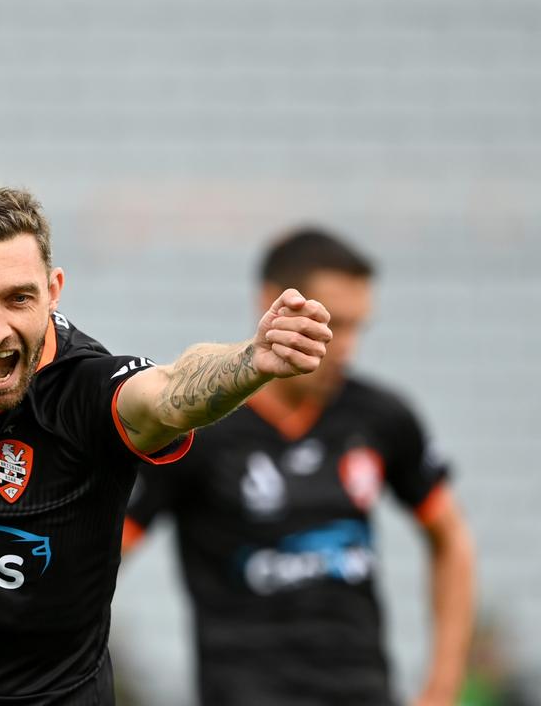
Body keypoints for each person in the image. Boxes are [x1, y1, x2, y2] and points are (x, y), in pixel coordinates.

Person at [0, 0, 333, 706]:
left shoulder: (86, 390)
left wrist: (253, 360)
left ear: (54, 289)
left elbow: (170, 392)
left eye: (19, 299)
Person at [124, 228, 476, 706]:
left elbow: (450, 538)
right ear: (273, 304)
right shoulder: (201, 430)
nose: (346, 346)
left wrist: (442, 686)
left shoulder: (380, 417)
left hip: (362, 691)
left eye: (357, 327)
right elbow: (103, 550)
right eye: (333, 324)